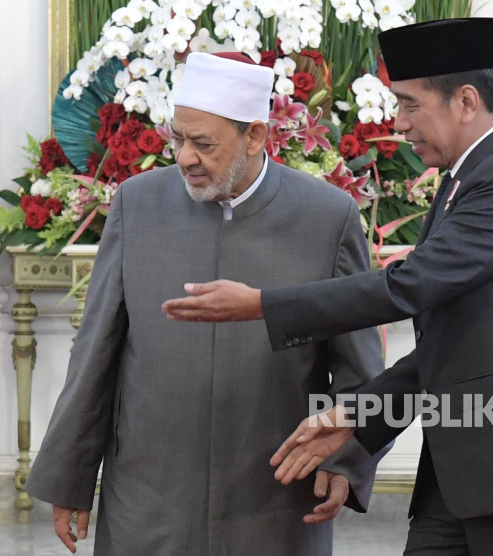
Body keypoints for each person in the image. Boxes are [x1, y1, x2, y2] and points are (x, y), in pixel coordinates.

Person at [162, 19, 493, 556]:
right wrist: (356, 416)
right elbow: (452, 343)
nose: (398, 124)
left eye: (410, 105)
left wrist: (261, 304)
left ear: (465, 101)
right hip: (468, 475)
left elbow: (407, 287)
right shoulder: (463, 182)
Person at [25, 51, 386, 556]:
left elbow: (359, 366)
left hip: (274, 504)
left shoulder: (327, 216)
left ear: (256, 137)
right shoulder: (137, 203)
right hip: (149, 503)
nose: (184, 157)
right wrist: (71, 478)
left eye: (203, 144)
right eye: (177, 138)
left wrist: (346, 461)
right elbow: (95, 353)